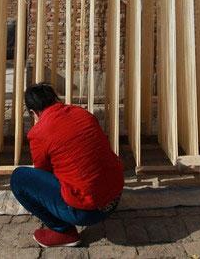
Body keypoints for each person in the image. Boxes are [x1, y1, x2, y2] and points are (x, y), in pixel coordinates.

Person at [10, 83, 124, 248]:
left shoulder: (39, 132)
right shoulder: (83, 113)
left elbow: (44, 174)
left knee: (18, 178)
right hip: (115, 198)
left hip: (88, 212)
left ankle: (63, 231)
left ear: (33, 113)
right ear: (55, 99)